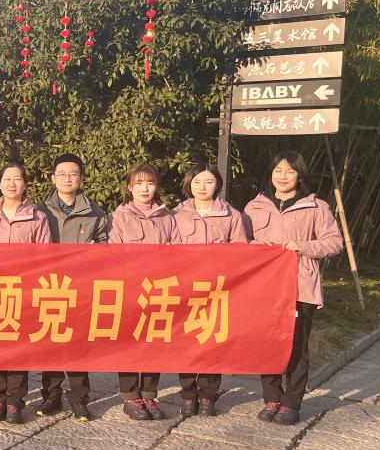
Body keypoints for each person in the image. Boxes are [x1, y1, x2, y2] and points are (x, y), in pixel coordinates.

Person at [243, 150, 342, 426]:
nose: (283, 176)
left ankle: (292, 402)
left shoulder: (315, 207)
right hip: (264, 287)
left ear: (300, 175)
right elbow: (241, 241)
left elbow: (334, 242)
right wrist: (256, 246)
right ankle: (272, 397)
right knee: (266, 344)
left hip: (300, 287)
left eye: (289, 171)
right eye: (278, 170)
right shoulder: (255, 206)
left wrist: (303, 246)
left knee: (297, 346)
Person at [172, 163, 249, 418]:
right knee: (186, 342)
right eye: (197, 182)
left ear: (217, 185)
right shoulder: (176, 214)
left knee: (212, 341)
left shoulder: (231, 215)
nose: (202, 187)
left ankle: (207, 395)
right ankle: (188, 395)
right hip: (186, 287)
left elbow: (240, 251)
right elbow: (168, 251)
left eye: (208, 181)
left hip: (218, 287)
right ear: (189, 185)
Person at [37, 152, 107, 421]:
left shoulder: (94, 212)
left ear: (81, 178)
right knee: (51, 343)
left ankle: (79, 398)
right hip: (50, 286)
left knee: (78, 344)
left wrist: (96, 251)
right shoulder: (40, 211)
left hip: (80, 287)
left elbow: (105, 244)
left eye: (73, 174)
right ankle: (51, 396)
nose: (67, 179)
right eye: (62, 174)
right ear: (53, 178)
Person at [0, 161, 51, 424]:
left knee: (19, 349)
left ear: (25, 184)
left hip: (23, 291)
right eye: (7, 179)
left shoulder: (38, 217)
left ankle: (14, 402)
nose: (12, 184)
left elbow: (45, 257)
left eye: (17, 178)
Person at [108, 163, 176, 421]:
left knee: (153, 342)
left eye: (150, 183)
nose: (144, 188)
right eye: (138, 183)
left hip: (159, 288)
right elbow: (113, 253)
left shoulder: (167, 217)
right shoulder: (119, 216)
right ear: (130, 187)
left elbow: (179, 254)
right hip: (130, 288)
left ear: (156, 186)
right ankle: (130, 396)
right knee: (129, 342)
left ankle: (149, 394)